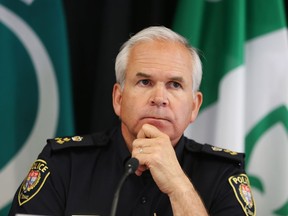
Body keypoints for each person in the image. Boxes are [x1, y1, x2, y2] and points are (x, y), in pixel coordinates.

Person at [9, 26, 256, 216]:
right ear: (118, 98)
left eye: (175, 85)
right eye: (145, 82)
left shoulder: (223, 173)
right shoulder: (64, 164)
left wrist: (179, 186)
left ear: (194, 107)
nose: (160, 98)